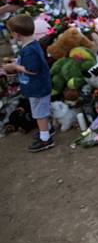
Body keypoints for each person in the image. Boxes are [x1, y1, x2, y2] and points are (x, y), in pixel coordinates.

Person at [2, 15, 54, 152]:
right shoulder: (31, 45)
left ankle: (45, 139)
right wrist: (16, 63)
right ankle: (47, 130)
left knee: (39, 113)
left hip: (38, 87)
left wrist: (15, 68)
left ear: (16, 34)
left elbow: (32, 70)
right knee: (41, 110)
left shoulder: (29, 50)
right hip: (38, 86)